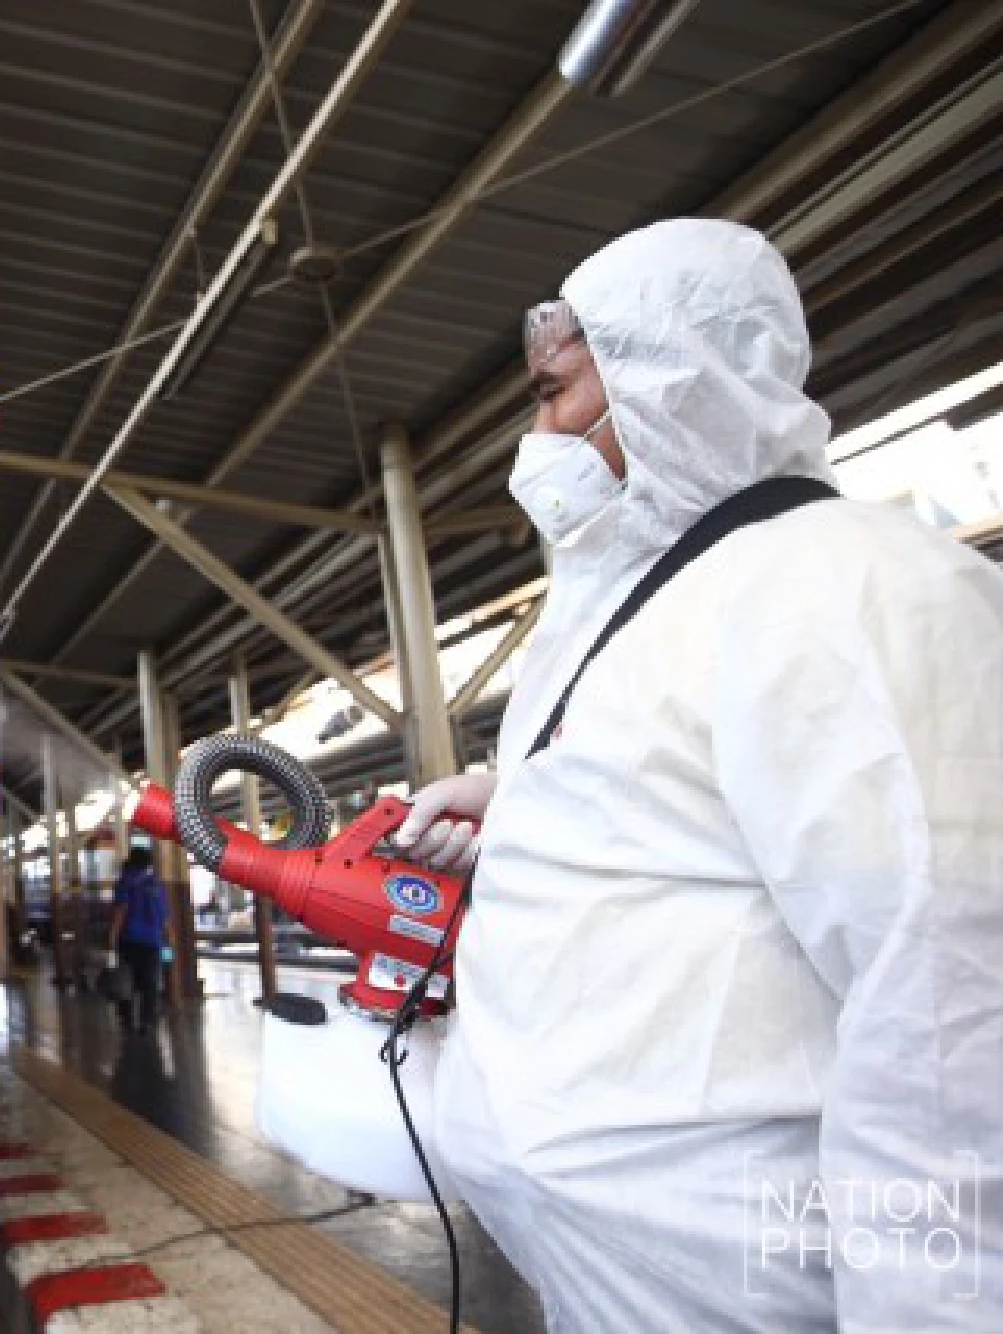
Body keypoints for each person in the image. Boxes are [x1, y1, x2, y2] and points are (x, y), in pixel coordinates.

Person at [394, 218, 1002, 1330]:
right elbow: (686, 807)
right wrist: (521, 803)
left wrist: (938, 1306)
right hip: (624, 1277)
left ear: (663, 378)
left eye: (552, 392)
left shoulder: (848, 586)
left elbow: (950, 996)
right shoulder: (645, 602)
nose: (538, 432)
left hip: (752, 1288)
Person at [106, 847, 169, 1030]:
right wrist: (167, 937)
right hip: (153, 941)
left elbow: (121, 911)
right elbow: (164, 915)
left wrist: (111, 937)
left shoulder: (125, 882)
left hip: (129, 940)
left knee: (126, 979)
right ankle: (147, 1020)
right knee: (150, 981)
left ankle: (127, 1019)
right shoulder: (157, 884)